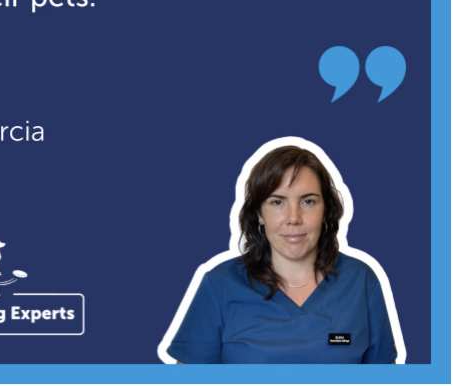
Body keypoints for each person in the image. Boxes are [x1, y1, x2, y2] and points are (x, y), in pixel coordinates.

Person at [166, 145, 397, 363]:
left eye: (308, 201)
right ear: (259, 214)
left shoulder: (361, 283)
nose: (294, 218)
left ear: (325, 210)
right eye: (277, 202)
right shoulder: (219, 286)